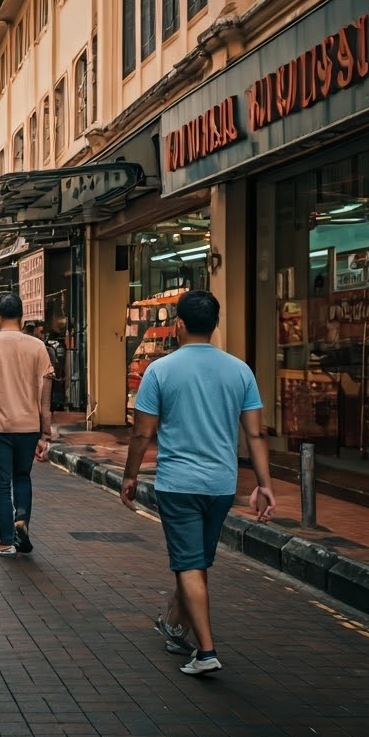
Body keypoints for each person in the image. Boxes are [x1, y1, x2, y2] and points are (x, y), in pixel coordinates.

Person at [120, 289, 276, 677]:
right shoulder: (240, 370)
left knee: (190, 563)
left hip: (178, 483)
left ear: (180, 324)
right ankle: (176, 624)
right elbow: (255, 435)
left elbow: (142, 433)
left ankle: (205, 651)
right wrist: (264, 483)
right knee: (197, 561)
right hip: (222, 485)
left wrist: (130, 474)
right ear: (215, 325)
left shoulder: (160, 370)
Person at [0, 293, 54, 558]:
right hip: (28, 425)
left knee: (1, 484)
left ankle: (6, 541)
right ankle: (22, 520)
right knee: (22, 476)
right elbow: (45, 394)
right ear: (23, 317)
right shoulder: (37, 347)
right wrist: (45, 432)